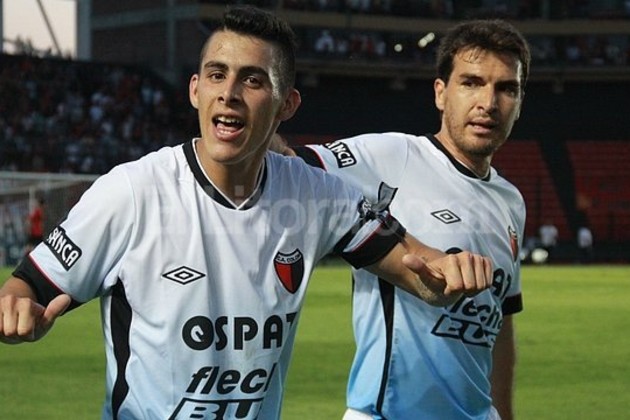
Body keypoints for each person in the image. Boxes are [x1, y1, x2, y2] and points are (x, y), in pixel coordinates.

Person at [0, 7, 492, 419]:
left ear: (286, 105)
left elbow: (422, 272)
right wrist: (17, 309)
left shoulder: (317, 196)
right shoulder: (131, 193)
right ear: (195, 90)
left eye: (252, 80)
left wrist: (451, 274)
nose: (229, 93)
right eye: (217, 75)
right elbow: (25, 287)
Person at [276, 18, 529, 420]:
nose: (489, 102)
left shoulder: (510, 201)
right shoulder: (392, 158)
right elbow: (285, 163)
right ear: (441, 93)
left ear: (519, 101)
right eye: (471, 82)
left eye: (506, 88)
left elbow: (499, 323)